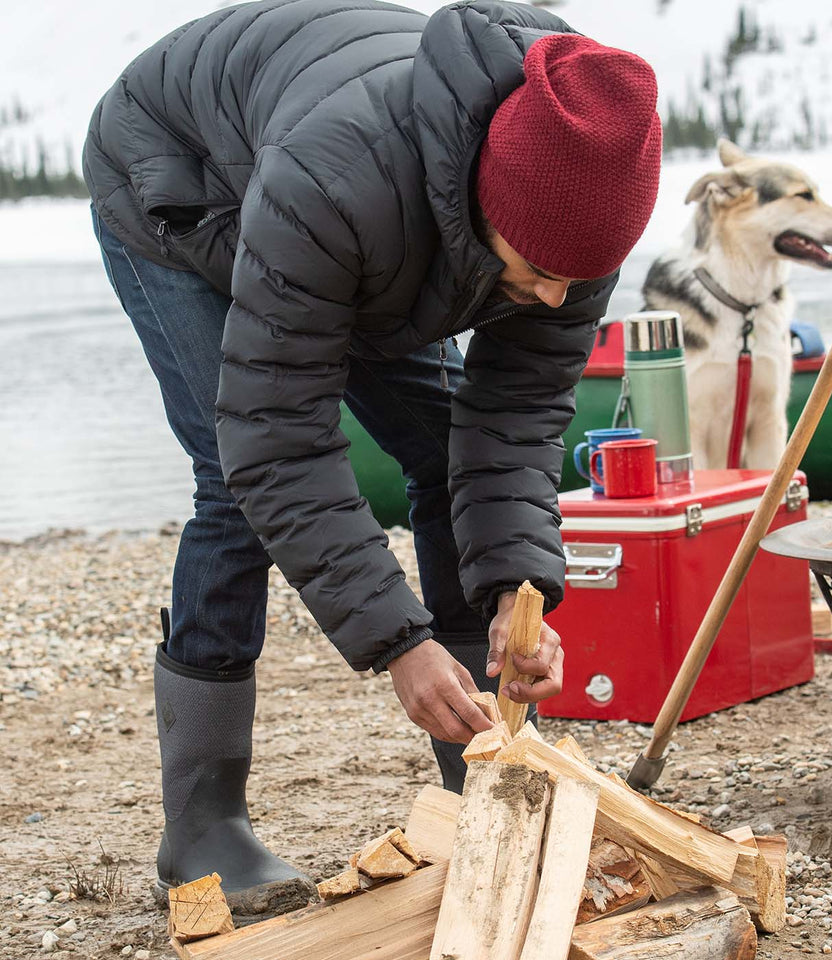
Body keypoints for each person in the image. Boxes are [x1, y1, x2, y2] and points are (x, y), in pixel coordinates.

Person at [83, 0, 661, 919]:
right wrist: (400, 642)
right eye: (542, 268)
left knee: (438, 447)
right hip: (181, 182)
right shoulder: (339, 178)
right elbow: (277, 440)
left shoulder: (577, 197)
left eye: (576, 278)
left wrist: (520, 594)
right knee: (232, 485)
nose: (556, 294)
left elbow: (510, 423)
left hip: (371, 220)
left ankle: (487, 778)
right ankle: (203, 824)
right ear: (488, 203)